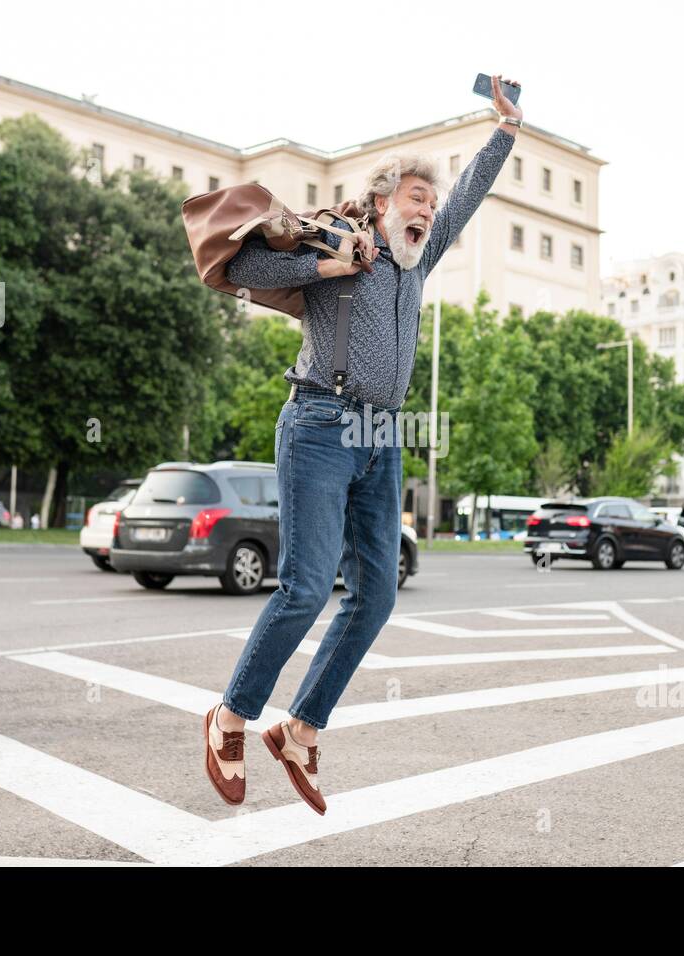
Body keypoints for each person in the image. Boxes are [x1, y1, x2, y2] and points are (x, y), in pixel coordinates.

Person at [203, 75, 523, 815]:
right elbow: (244, 269)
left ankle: (302, 727)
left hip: (382, 437)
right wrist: (332, 263)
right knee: (308, 585)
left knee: (376, 594)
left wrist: (505, 130)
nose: (428, 210)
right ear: (381, 203)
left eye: (430, 204)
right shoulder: (338, 242)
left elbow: (470, 191)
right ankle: (229, 717)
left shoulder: (421, 257)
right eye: (416, 197)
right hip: (318, 424)